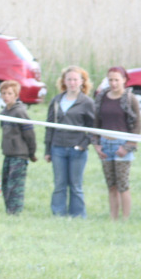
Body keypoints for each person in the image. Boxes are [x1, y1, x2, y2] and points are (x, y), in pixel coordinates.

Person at [44, 65, 95, 218]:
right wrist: (48, 150)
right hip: (58, 148)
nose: (72, 82)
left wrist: (83, 145)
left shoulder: (87, 102)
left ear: (81, 82)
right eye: (69, 79)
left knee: (75, 184)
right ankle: (58, 214)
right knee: (59, 184)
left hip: (77, 149)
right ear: (64, 81)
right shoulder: (56, 101)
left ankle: (78, 215)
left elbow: (93, 128)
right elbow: (49, 126)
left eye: (75, 79)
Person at [91, 66, 141, 220]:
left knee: (122, 185)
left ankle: (125, 218)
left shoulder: (129, 98)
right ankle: (113, 217)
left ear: (124, 80)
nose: (113, 83)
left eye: (116, 80)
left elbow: (137, 124)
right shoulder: (102, 98)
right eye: (111, 80)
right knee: (111, 185)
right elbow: (96, 122)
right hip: (106, 143)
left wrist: (128, 146)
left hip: (122, 144)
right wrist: (96, 144)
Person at [0, 80, 37, 214]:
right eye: (3, 93)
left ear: (16, 95)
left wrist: (31, 153)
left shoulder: (20, 112)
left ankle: (15, 211)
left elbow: (29, 134)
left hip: (19, 155)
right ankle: (8, 209)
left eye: (9, 93)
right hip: (8, 154)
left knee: (15, 185)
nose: (6, 96)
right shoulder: (4, 112)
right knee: (5, 183)